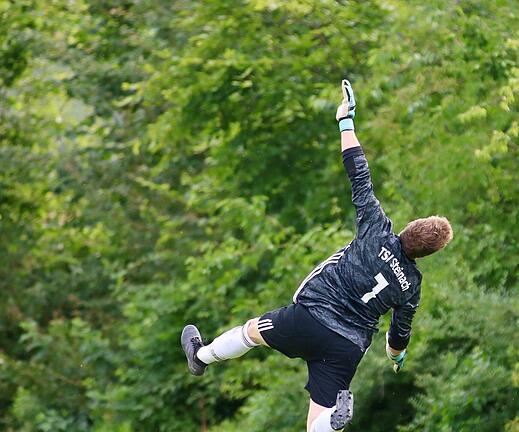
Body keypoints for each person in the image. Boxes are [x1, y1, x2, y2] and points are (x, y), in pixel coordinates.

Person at [180, 80, 453, 432]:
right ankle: (333, 423)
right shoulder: (412, 286)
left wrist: (346, 121)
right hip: (347, 347)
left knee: (250, 333)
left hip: (309, 318)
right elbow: (399, 335)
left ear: (409, 228)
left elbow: (359, 172)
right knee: (315, 424)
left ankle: (200, 357)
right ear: (427, 254)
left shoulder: (376, 229)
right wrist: (396, 359)